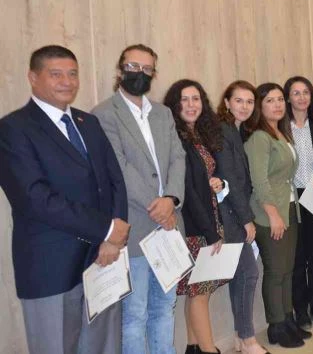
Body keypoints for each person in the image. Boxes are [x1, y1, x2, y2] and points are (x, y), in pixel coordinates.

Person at [0, 45, 129, 354]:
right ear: (33, 77)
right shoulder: (13, 129)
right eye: (56, 74)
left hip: (102, 259)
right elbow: (34, 199)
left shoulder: (88, 123)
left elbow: (115, 182)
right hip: (51, 266)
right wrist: (106, 229)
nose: (67, 82)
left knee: (104, 347)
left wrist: (113, 238)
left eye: (72, 74)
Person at [93, 44, 186, 353]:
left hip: (169, 228)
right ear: (120, 70)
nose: (140, 73)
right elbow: (118, 167)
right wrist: (158, 206)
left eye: (147, 69)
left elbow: (178, 158)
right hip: (133, 227)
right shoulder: (103, 114)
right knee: (134, 315)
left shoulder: (163, 113)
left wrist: (171, 199)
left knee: (165, 308)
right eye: (133, 67)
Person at [164, 80, 227, 354]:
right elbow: (187, 191)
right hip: (194, 227)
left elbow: (206, 177)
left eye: (196, 99)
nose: (191, 105)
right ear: (175, 105)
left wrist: (218, 181)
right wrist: (210, 233)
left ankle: (193, 347)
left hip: (208, 220)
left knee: (198, 292)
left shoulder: (199, 136)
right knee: (200, 293)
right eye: (185, 99)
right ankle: (209, 349)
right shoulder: (178, 139)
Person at [245, 83, 308, 349]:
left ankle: (288, 319)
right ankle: (276, 326)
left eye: (280, 99)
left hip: (289, 208)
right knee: (275, 271)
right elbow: (260, 181)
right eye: (270, 100)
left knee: (287, 270)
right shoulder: (259, 137)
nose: (278, 104)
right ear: (260, 106)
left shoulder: (281, 133)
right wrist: (273, 214)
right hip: (269, 213)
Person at [215, 81, 268, 354]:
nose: (245, 106)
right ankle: (247, 340)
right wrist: (247, 219)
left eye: (249, 101)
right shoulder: (223, 131)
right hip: (230, 216)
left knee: (241, 276)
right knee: (249, 273)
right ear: (226, 102)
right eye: (238, 100)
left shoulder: (236, 130)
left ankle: (240, 336)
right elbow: (230, 179)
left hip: (234, 213)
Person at [284, 76, 313, 330]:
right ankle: (300, 310)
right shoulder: (280, 127)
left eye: (306, 92)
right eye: (296, 93)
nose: (301, 97)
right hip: (290, 197)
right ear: (288, 97)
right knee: (297, 257)